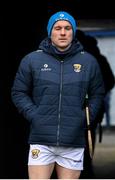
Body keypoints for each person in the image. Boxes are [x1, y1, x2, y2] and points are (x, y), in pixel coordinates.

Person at [11, 11, 105, 179]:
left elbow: (98, 93)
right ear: (50, 31)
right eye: (58, 28)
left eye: (68, 28)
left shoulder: (88, 62)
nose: (63, 32)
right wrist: (35, 115)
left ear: (73, 31)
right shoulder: (32, 60)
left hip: (73, 140)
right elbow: (19, 92)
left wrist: (85, 116)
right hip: (41, 139)